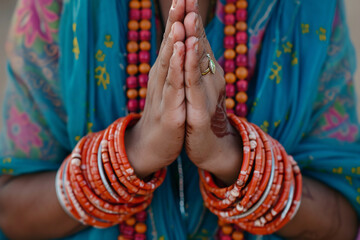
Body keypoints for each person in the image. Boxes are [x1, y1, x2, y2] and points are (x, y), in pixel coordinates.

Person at [0, 0, 359, 239]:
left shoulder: (304, 10)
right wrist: (134, 153)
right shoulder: (59, 8)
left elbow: (342, 222)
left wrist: (230, 156)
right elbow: (11, 212)